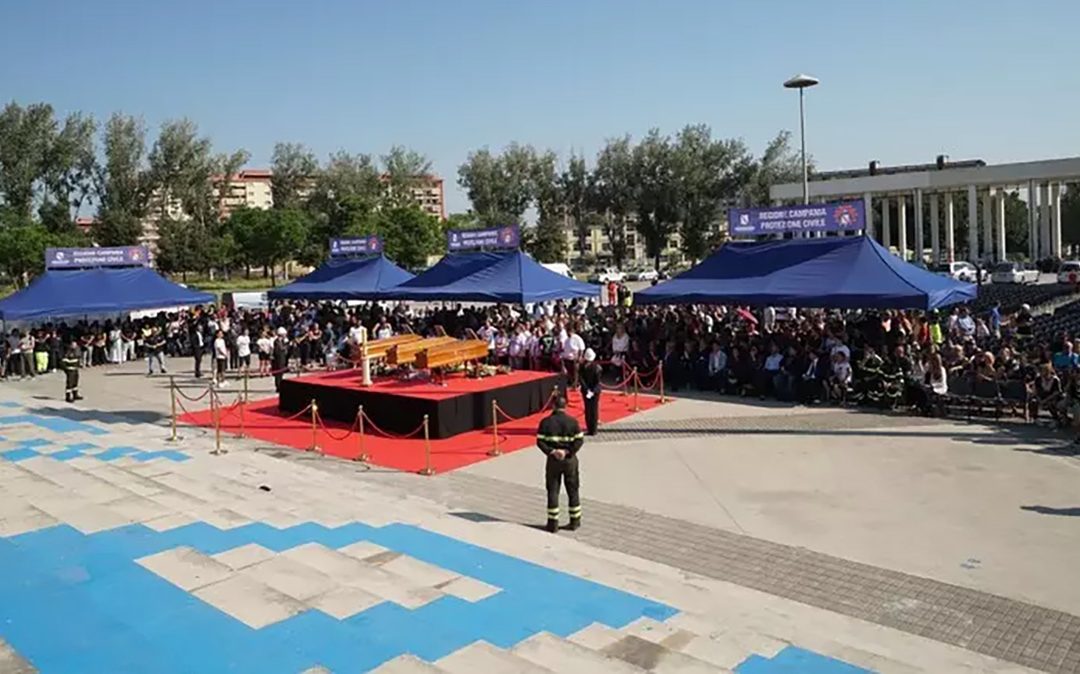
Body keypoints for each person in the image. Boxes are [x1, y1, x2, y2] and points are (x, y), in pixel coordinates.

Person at [536, 396, 584, 533]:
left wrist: (552, 451)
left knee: (553, 491)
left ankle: (553, 524)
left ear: (553, 406)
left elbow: (540, 442)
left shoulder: (545, 422)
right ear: (566, 406)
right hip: (570, 461)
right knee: (573, 490)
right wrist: (567, 451)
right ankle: (575, 521)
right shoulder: (573, 422)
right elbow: (579, 441)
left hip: (553, 461)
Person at [580, 348, 602, 436]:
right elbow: (582, 380)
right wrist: (588, 390)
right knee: (589, 410)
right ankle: (590, 428)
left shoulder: (596, 368)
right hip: (589, 391)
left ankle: (593, 429)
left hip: (592, 391)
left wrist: (591, 390)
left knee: (593, 409)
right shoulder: (585, 367)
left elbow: (597, 381)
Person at [272, 327, 290, 392]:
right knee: (278, 374)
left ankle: (280, 385)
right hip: (278, 359)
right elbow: (280, 348)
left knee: (281, 373)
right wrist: (286, 346)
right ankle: (278, 386)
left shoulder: (282, 341)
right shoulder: (277, 341)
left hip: (282, 358)